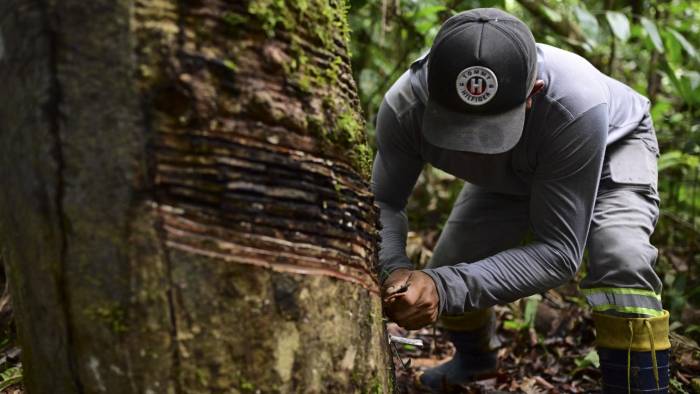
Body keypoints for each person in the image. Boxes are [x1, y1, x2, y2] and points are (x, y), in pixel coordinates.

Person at [373, 8, 670, 394]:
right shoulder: (406, 106)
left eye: (487, 132)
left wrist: (443, 287)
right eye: (460, 129)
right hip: (517, 168)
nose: (474, 149)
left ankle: (640, 388)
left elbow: (559, 252)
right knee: (454, 262)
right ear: (431, 92)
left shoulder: (575, 102)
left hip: (612, 145)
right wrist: (393, 268)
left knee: (621, 258)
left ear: (535, 92)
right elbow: (383, 202)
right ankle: (474, 363)